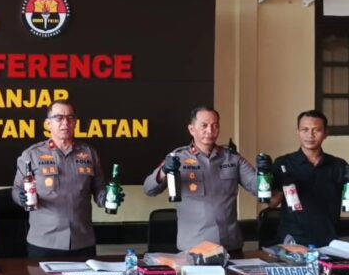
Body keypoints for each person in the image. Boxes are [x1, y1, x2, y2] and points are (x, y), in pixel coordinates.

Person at [143, 106, 257, 252]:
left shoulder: (232, 158)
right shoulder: (178, 157)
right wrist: (164, 171)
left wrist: (265, 173)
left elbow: (257, 187)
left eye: (215, 125)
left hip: (229, 245)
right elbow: (149, 189)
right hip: (194, 247)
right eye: (204, 125)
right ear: (192, 129)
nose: (210, 131)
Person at [12, 100, 113, 258]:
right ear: (48, 123)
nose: (65, 122)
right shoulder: (32, 154)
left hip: (82, 241)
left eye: (70, 118)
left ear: (75, 122)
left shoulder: (89, 153)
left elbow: (99, 190)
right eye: (59, 118)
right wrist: (22, 198)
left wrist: (109, 198)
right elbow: (17, 189)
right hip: (44, 242)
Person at [270, 110, 347, 247]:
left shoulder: (338, 165)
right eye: (304, 129)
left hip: (328, 241)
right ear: (298, 132)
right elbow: (272, 203)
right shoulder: (283, 163)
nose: (310, 135)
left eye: (316, 130)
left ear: (326, 133)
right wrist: (283, 184)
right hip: (292, 241)